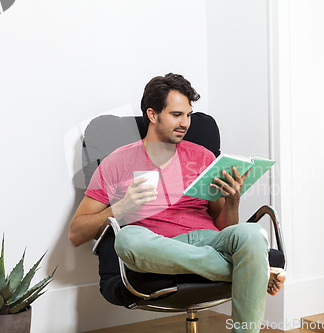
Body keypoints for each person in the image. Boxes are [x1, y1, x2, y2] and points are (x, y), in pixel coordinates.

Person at [69, 73, 286, 333]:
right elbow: (76, 233)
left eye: (188, 115)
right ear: (152, 114)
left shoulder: (203, 157)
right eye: (176, 115)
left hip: (207, 238)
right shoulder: (117, 162)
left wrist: (232, 200)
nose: (185, 123)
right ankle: (255, 271)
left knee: (253, 233)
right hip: (156, 245)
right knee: (128, 240)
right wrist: (122, 207)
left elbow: (225, 227)